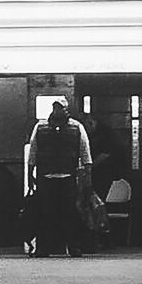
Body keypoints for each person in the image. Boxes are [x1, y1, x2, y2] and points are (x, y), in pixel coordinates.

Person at [27, 100, 92, 257]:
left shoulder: (75, 127)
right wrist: (30, 173)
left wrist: (87, 174)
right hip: (48, 176)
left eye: (60, 108)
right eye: (56, 107)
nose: (57, 110)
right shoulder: (44, 127)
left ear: (66, 109)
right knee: (48, 214)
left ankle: (67, 246)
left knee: (67, 214)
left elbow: (85, 152)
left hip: (66, 176)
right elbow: (33, 150)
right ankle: (51, 247)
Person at [82, 114, 122, 200]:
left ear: (91, 123)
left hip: (107, 171)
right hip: (99, 171)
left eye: (86, 127)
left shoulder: (105, 133)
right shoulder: (99, 132)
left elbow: (105, 154)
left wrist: (90, 166)